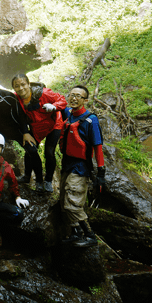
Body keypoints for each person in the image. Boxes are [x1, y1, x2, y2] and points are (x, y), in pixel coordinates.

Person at [59, 85, 105, 248]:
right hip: (67, 164)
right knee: (63, 202)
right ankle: (76, 233)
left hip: (81, 167)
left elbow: (97, 146)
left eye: (78, 96)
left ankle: (90, 235)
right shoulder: (68, 115)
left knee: (72, 203)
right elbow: (56, 101)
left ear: (85, 100)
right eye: (72, 95)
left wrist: (101, 172)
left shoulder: (91, 120)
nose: (74, 98)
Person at [11, 74, 67, 193]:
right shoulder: (16, 98)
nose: (21, 88)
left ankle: (48, 181)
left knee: (49, 152)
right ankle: (29, 177)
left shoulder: (44, 93)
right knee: (30, 149)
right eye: (17, 86)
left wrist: (54, 106)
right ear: (14, 88)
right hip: (36, 127)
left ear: (28, 84)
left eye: (23, 84)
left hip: (54, 124)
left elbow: (62, 100)